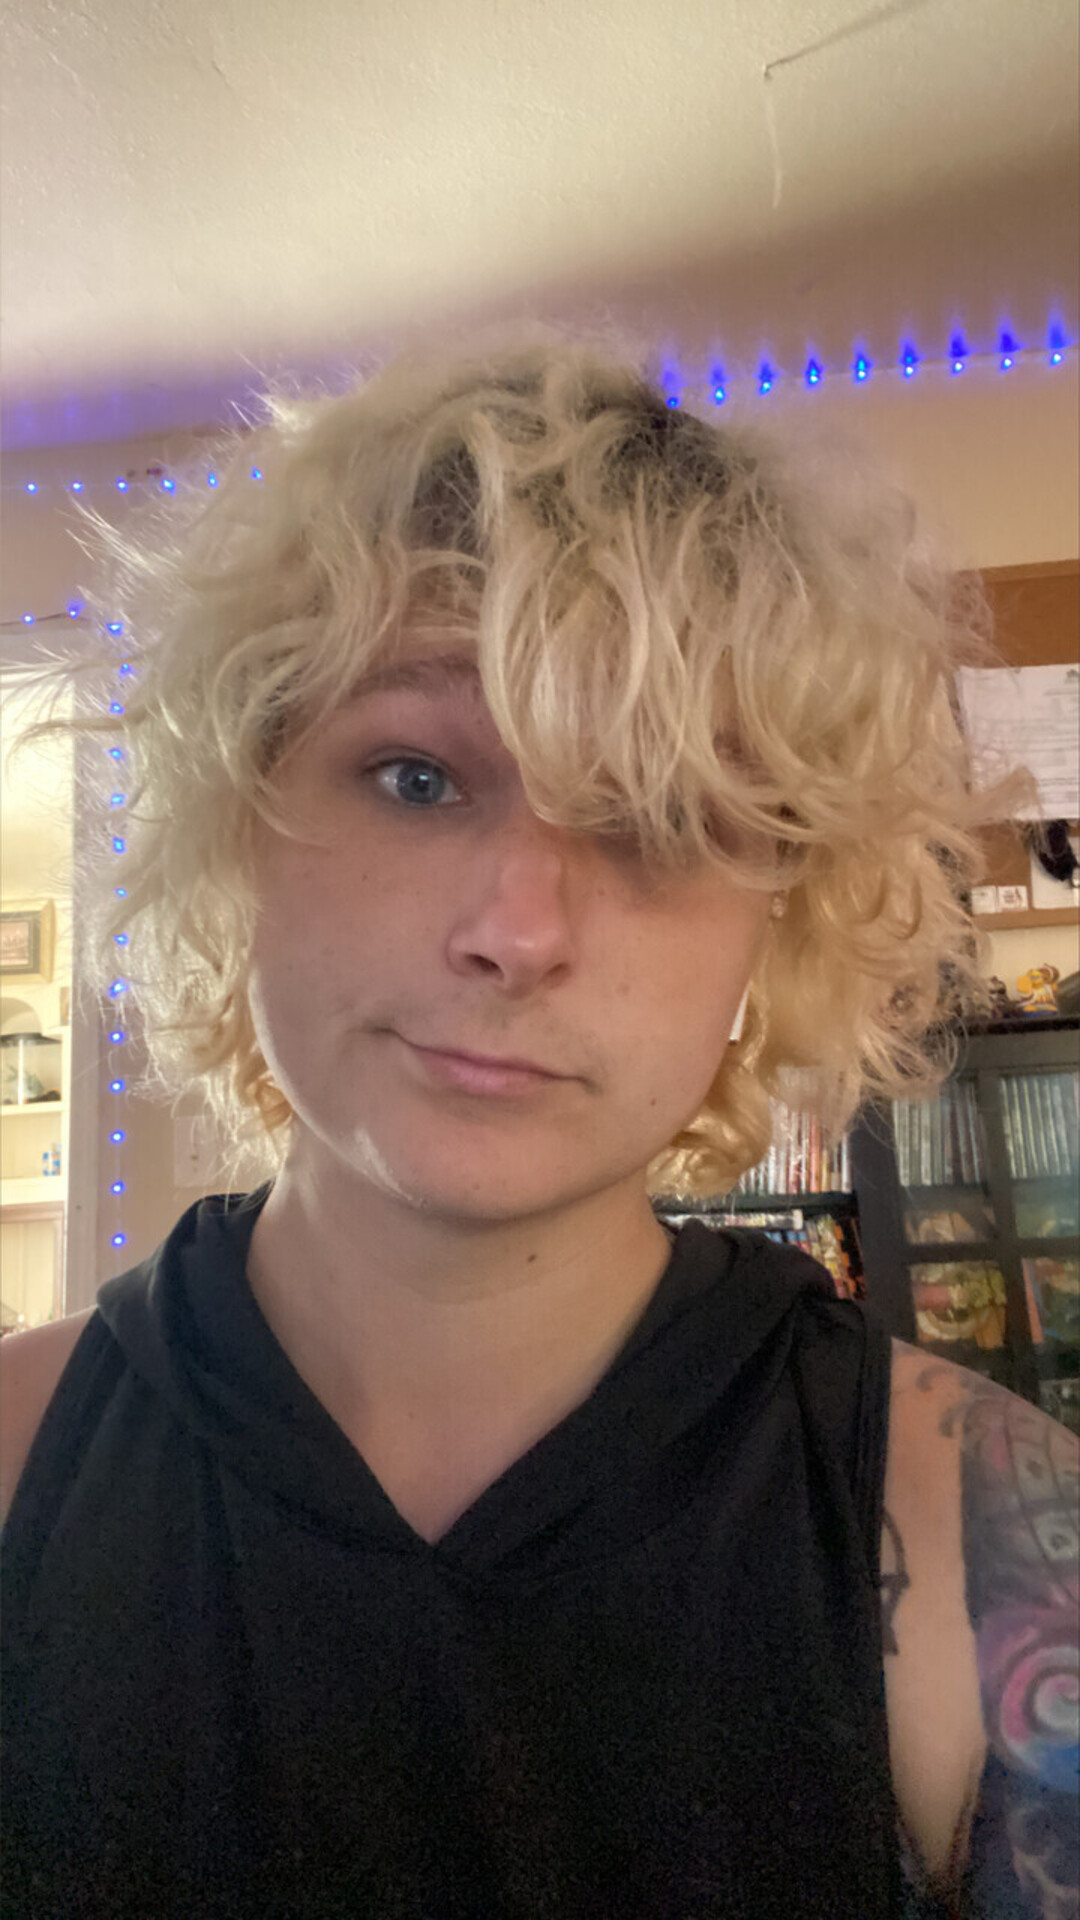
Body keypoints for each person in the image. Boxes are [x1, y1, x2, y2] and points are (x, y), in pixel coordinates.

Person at [1, 323, 1076, 1919]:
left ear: (777, 918)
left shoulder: (993, 1544)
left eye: (661, 814)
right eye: (416, 777)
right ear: (244, 818)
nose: (519, 929)